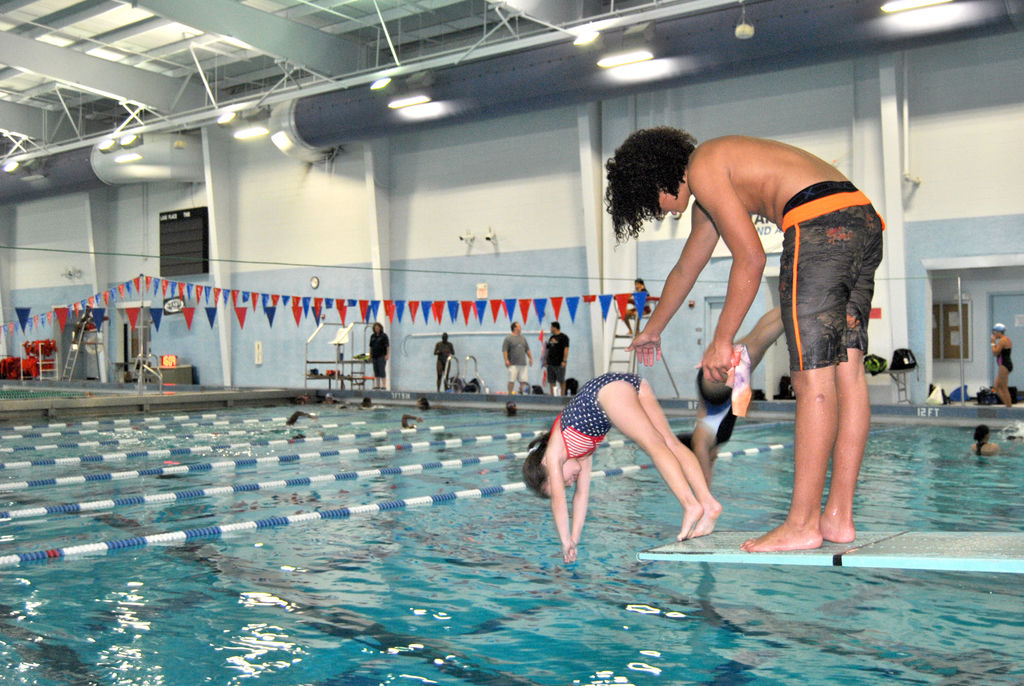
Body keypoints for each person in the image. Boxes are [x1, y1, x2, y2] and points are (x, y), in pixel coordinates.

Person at [605, 127, 884, 552]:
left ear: (656, 179)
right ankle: (837, 517)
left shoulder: (702, 168)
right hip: (861, 221)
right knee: (848, 373)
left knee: (812, 379)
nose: (663, 214)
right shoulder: (714, 182)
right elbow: (685, 270)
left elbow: (751, 257)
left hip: (818, 226)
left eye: (653, 204)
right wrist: (652, 328)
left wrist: (723, 340)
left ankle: (802, 523)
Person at [522, 372, 721, 563]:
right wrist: (573, 539)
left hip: (605, 392)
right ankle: (708, 503)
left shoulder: (555, 452)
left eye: (561, 481)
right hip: (627, 385)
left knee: (653, 444)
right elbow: (581, 496)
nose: (567, 483)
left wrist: (563, 541)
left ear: (545, 463)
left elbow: (559, 501)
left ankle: (691, 505)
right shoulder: (583, 454)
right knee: (670, 442)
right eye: (566, 485)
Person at [676, 308, 785, 485]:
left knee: (759, 341)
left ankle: (798, 306)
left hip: (716, 390)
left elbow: (703, 479)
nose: (713, 460)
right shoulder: (710, 439)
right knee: (756, 338)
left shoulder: (701, 441)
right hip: (719, 388)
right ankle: (791, 299)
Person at [502, 322, 533, 394]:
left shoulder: (523, 338)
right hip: (513, 363)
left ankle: (524, 395)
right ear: (515, 328)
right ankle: (510, 394)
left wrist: (530, 358)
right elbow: (505, 350)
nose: (520, 328)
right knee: (511, 380)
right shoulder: (508, 338)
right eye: (519, 326)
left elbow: (527, 349)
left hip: (523, 363)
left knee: (523, 381)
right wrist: (506, 360)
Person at [991, 323, 1014, 408]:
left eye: (994, 332)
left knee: (1004, 388)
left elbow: (995, 352)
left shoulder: (1003, 340)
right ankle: (1007, 406)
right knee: (996, 387)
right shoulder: (1005, 339)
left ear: (999, 332)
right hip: (1005, 365)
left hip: (1004, 366)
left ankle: (1009, 407)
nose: (993, 334)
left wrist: (993, 343)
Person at [545, 321, 570, 396]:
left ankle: (562, 396)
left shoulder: (564, 337)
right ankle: (553, 396)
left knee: (561, 380)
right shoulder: (551, 338)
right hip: (550, 363)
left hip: (559, 363)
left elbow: (566, 349)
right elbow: (548, 350)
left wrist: (564, 360)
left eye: (551, 327)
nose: (550, 329)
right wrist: (546, 360)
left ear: (555, 328)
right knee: (551, 381)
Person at [369, 322, 390, 390]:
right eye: (375, 328)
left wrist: (387, 354)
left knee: (382, 370)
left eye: (378, 327)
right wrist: (370, 355)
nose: (377, 329)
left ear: (380, 328)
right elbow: (371, 346)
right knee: (376, 371)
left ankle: (384, 385)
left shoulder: (384, 336)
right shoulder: (372, 336)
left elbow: (387, 346)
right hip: (374, 356)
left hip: (381, 355)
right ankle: (377, 385)